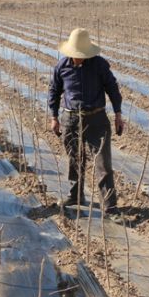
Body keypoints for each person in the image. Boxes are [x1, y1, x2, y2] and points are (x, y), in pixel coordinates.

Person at [48, 28, 125, 214]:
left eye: (81, 55)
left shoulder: (99, 65)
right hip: (71, 119)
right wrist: (54, 117)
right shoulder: (61, 66)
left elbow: (113, 90)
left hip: (97, 119)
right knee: (75, 159)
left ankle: (110, 207)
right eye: (75, 55)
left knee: (103, 165)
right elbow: (54, 91)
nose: (78, 58)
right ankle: (76, 195)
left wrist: (118, 114)